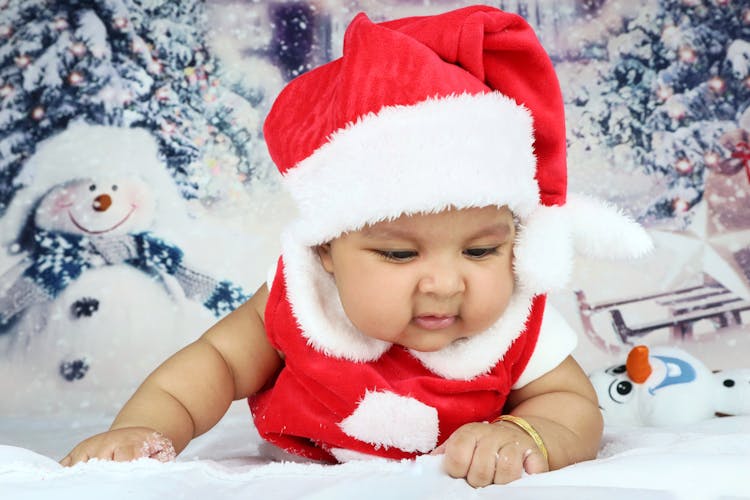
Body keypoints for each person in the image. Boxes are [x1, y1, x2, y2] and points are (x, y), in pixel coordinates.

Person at [61, 5, 652, 487]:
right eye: (399, 254)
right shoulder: (300, 300)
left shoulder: (516, 321)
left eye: (480, 252)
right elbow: (209, 367)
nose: (446, 283)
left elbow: (572, 404)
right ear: (325, 251)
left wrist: (530, 434)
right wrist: (143, 429)